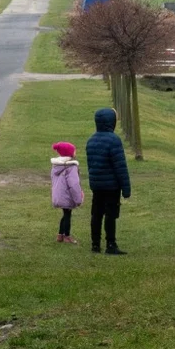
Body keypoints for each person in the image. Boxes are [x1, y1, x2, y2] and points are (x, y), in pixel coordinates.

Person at [86, 108, 131, 255]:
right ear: (111, 122)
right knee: (110, 215)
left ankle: (95, 245)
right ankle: (111, 244)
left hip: (96, 185)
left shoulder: (91, 140)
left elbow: (90, 164)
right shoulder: (114, 140)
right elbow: (120, 167)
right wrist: (126, 188)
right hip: (111, 186)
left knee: (96, 214)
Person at [50, 142, 84, 244]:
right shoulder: (71, 167)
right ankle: (67, 236)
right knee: (68, 214)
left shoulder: (56, 166)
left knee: (65, 214)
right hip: (67, 195)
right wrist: (79, 199)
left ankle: (60, 235)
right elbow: (73, 184)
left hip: (59, 194)